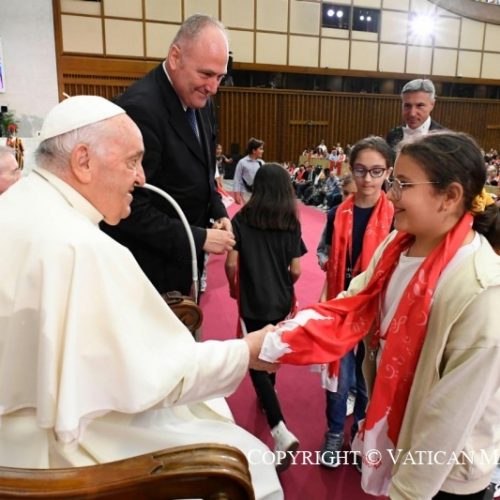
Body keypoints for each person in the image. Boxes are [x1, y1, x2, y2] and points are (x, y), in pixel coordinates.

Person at [0, 95, 283, 500]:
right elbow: (161, 375)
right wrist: (247, 351)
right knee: (247, 464)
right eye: (133, 161)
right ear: (83, 161)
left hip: (14, 444)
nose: (141, 178)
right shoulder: (81, 248)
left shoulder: (18, 205)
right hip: (61, 457)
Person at [259, 131, 500, 499]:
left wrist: (405, 493)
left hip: (446, 471)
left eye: (403, 184)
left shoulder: (482, 290)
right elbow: (352, 302)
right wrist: (279, 343)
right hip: (401, 435)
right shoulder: (397, 245)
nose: (390, 194)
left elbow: (449, 419)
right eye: (393, 182)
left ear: (450, 196)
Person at [100, 14, 235, 297]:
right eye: (206, 74)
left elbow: (204, 171)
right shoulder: (140, 109)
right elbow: (128, 209)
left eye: (220, 77)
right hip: (149, 273)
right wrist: (198, 237)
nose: (213, 88)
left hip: (184, 265)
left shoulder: (201, 100)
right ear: (175, 57)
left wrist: (218, 211)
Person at [315, 137, 394, 468]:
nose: (367, 179)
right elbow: (323, 251)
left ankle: (361, 436)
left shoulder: (396, 216)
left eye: (376, 171)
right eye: (360, 170)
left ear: (388, 172)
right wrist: (333, 266)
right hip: (342, 307)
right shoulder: (337, 213)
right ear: (351, 168)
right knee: (340, 378)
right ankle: (334, 434)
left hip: (379, 312)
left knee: (367, 382)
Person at [225, 163, 306, 471]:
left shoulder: (242, 219)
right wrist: (285, 284)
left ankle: (279, 428)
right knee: (270, 348)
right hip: (281, 298)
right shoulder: (290, 222)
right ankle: (268, 393)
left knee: (253, 357)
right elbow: (296, 269)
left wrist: (234, 287)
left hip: (253, 298)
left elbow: (231, 263)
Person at [386, 78, 444, 150]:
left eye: (420, 105)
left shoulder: (444, 139)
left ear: (432, 105)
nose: (412, 114)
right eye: (407, 105)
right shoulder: (393, 135)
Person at [232, 137, 264, 204]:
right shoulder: (242, 162)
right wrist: (237, 194)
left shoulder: (261, 163)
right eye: (260, 149)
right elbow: (237, 179)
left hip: (259, 193)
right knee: (250, 209)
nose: (263, 151)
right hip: (246, 193)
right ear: (254, 150)